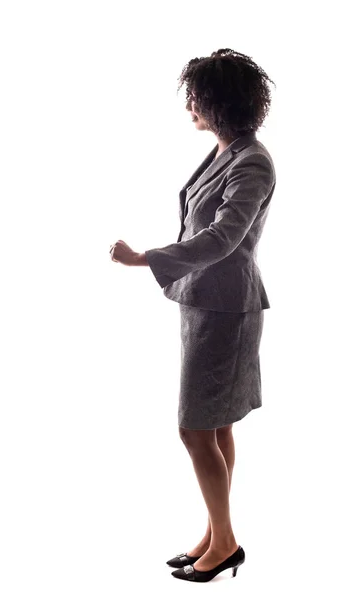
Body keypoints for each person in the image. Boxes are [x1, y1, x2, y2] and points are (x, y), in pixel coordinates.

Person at [109, 48, 276, 583]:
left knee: (194, 428)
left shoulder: (252, 160)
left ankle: (225, 542)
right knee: (215, 422)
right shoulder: (227, 151)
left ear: (220, 102)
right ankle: (215, 533)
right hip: (204, 302)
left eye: (197, 96)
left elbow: (225, 237)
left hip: (227, 307)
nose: (189, 105)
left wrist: (145, 258)